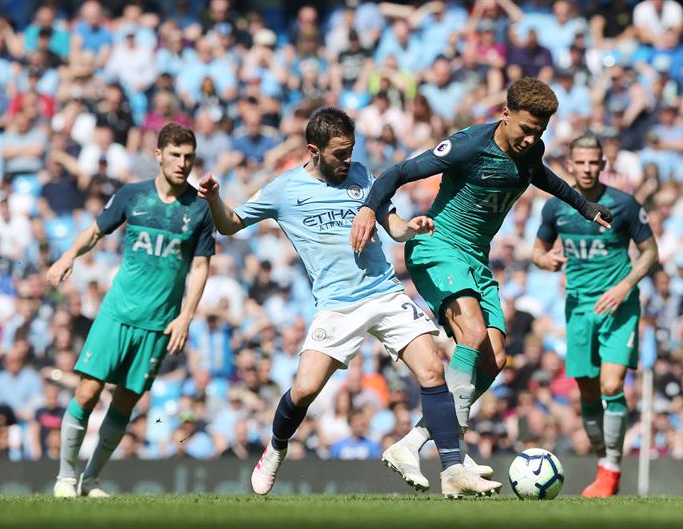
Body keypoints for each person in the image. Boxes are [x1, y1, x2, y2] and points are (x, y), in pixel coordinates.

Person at [198, 107, 501, 498]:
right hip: (337, 305)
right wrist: (214, 199)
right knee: (304, 390)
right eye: (339, 153)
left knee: (432, 369)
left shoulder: (361, 175)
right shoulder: (284, 189)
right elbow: (230, 224)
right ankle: (275, 449)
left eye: (350, 150)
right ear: (314, 150)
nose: (347, 160)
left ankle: (452, 468)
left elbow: (393, 226)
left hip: (384, 292)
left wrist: (411, 228)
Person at [350, 78, 613, 487]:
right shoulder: (470, 145)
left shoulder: (532, 151)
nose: (531, 139)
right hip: (438, 246)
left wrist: (585, 206)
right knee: (471, 334)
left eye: (539, 132)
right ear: (505, 114)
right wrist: (369, 208)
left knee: (494, 359)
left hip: (476, 259)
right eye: (526, 129)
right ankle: (453, 461)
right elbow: (400, 172)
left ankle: (412, 443)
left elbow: (544, 177)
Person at [46, 123, 215, 497]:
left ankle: (91, 480)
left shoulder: (200, 209)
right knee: (88, 392)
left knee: (125, 402)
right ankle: (65, 478)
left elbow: (201, 266)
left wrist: (186, 316)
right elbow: (95, 230)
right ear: (158, 155)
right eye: (175, 155)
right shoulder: (132, 195)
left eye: (188, 157)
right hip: (117, 313)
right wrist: (68, 256)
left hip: (158, 324)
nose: (182, 163)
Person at [531, 135, 658, 497]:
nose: (587, 169)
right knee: (587, 393)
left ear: (603, 164)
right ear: (570, 165)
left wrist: (624, 286)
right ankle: (605, 460)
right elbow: (537, 251)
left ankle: (611, 469)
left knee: (611, 386)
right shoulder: (556, 208)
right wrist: (545, 260)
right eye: (581, 162)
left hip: (619, 306)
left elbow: (651, 253)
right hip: (578, 308)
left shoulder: (624, 204)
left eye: (593, 162)